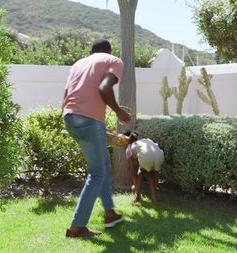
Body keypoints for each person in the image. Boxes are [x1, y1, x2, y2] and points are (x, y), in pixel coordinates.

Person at [62, 39, 130, 238]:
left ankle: (110, 213)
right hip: (88, 120)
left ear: (90, 51)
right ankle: (77, 227)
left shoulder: (78, 64)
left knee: (102, 167)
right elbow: (104, 88)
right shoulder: (114, 61)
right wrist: (119, 113)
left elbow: (67, 93)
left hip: (69, 116)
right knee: (97, 173)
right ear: (108, 52)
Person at [124, 131, 164, 203]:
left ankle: (138, 196)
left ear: (126, 140)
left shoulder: (129, 148)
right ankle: (154, 195)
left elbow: (132, 171)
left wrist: (135, 187)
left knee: (142, 172)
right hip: (160, 155)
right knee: (149, 172)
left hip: (147, 157)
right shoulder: (145, 141)